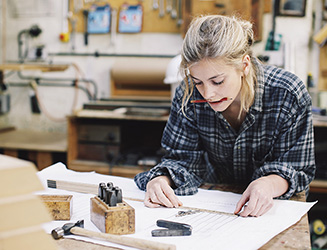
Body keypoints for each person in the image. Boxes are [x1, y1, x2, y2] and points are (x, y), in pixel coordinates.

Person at [134, 15, 315, 217]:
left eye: (217, 81)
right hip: (216, 206)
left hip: (275, 209)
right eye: (198, 81)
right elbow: (183, 160)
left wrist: (267, 185)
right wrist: (161, 180)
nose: (208, 94)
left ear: (244, 66)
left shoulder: (287, 95)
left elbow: (297, 168)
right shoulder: (188, 95)